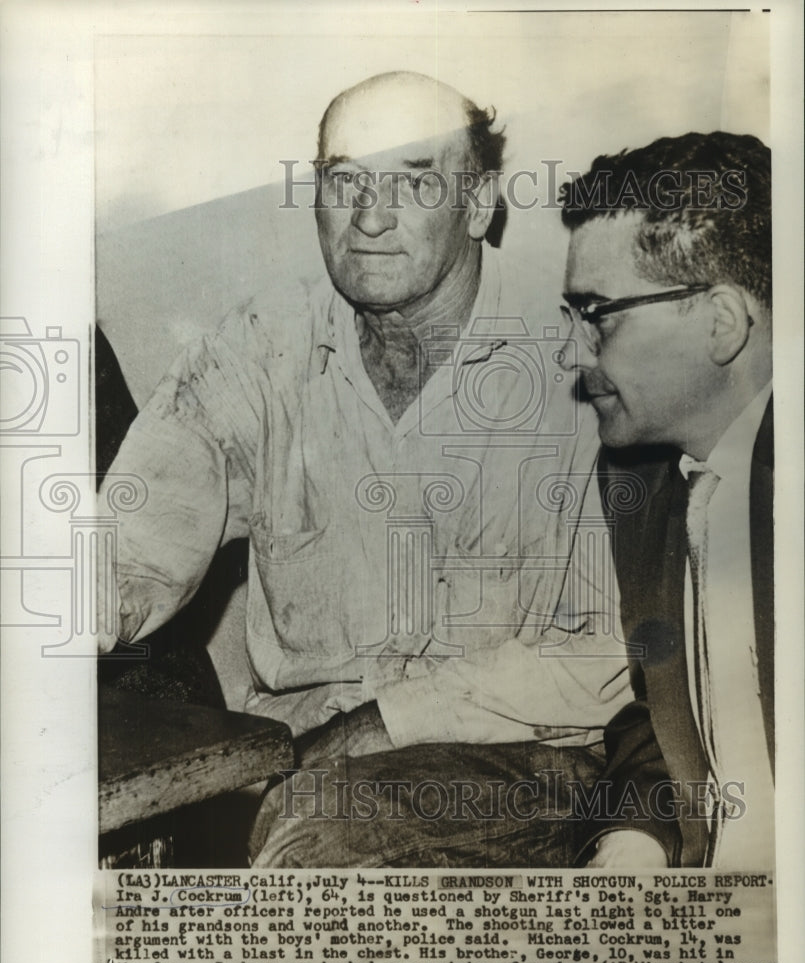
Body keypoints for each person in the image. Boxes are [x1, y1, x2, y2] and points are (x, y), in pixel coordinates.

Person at [99, 71, 629, 865]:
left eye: (414, 181)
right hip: (292, 757)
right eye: (345, 180)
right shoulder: (257, 350)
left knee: (320, 835)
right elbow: (129, 548)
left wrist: (379, 724)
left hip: (529, 762)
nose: (370, 218)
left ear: (478, 204)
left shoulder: (584, 369)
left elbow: (617, 652)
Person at [556, 132, 773, 868]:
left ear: (721, 321)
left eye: (597, 314)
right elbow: (667, 715)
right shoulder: (640, 484)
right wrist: (631, 846)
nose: (571, 354)